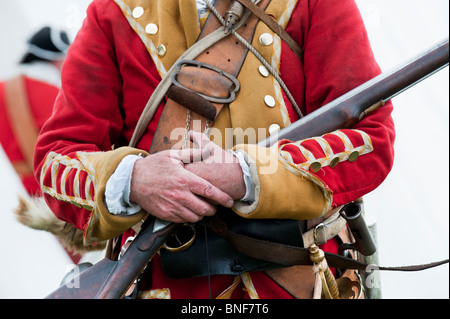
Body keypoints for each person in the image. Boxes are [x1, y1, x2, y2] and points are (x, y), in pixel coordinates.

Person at [34, 0, 395, 299]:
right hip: (170, 283)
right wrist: (133, 179)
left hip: (302, 279)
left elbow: (370, 139)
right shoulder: (114, 13)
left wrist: (247, 175)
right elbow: (55, 161)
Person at [0, 26, 70, 196]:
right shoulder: (58, 96)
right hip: (50, 195)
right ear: (58, 60)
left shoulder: (3, 88)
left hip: (13, 199)